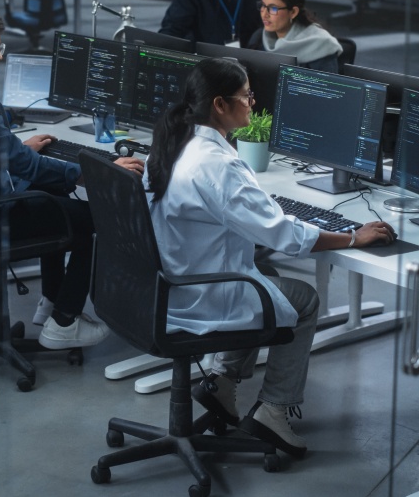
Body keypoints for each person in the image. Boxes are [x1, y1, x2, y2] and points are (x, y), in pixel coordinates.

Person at [144, 57, 396, 456]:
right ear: (220, 106)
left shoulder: (175, 143)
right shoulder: (218, 165)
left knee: (263, 269)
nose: (253, 102)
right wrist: (352, 237)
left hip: (169, 285)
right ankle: (274, 411)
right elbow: (283, 234)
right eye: (246, 96)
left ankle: (223, 380)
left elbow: (258, 226)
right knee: (305, 300)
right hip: (198, 296)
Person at [0, 6, 145, 350]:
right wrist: (94, 172)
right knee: (95, 220)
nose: (0, 57)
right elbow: (30, 168)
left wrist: (13, 147)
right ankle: (65, 322)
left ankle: (52, 300)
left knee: (51, 192)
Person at [249, 0, 343, 72]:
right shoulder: (258, 38)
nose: (264, 14)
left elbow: (325, 86)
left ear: (293, 12)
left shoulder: (321, 44)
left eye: (273, 8)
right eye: (263, 6)